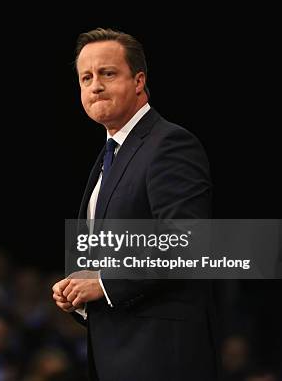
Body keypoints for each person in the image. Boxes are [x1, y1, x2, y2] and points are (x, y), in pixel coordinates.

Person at [52, 28, 219, 380]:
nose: (95, 85)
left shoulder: (169, 144)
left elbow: (187, 243)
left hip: (161, 356)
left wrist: (104, 282)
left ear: (139, 81)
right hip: (117, 352)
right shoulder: (108, 156)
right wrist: (80, 290)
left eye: (107, 73)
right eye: (86, 77)